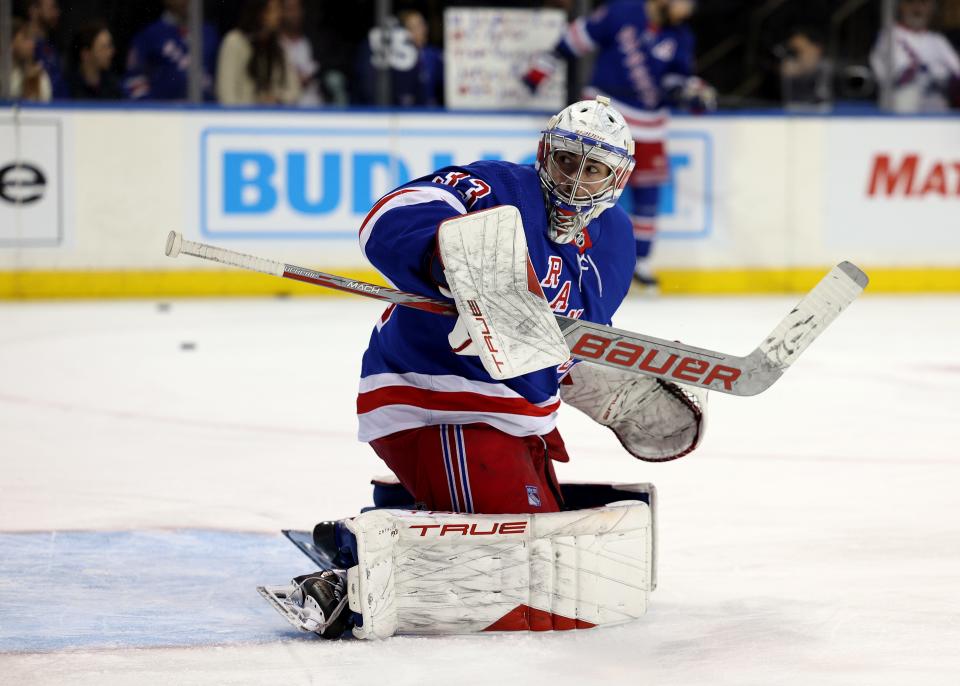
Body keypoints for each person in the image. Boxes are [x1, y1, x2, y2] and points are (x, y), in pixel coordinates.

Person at [274, 97, 707, 638]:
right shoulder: (497, 189)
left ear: (616, 179)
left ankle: (404, 509)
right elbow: (390, 215)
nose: (575, 181)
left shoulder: (615, 240)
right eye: (566, 161)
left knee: (549, 550)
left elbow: (564, 343)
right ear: (544, 154)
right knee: (521, 564)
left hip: (517, 418)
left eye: (593, 169)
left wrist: (621, 379)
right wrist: (447, 262)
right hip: (434, 399)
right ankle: (354, 569)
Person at [523, 0, 716, 290]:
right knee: (580, 183)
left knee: (648, 194)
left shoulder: (680, 36)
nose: (688, 10)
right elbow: (577, 37)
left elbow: (676, 79)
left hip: (650, 123)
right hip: (602, 116)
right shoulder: (623, 11)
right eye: (684, 2)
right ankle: (565, 249)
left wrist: (689, 93)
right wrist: (543, 67)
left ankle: (641, 262)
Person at [870, 0, 960, 112]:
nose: (917, 8)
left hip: (936, 109)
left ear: (931, 8)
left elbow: (957, 71)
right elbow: (894, 75)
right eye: (911, 2)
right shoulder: (889, 35)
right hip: (901, 111)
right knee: (908, 93)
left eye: (923, 3)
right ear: (901, 6)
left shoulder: (938, 40)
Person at [124, 0, 220, 101]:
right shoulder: (149, 35)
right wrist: (150, 109)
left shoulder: (210, 33)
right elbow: (133, 80)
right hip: (164, 113)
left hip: (205, 113)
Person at [216, 0, 301, 106]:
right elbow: (226, 94)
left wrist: (278, 98)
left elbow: (295, 91)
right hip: (241, 118)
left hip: (272, 118)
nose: (280, 15)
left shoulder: (279, 46)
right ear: (260, 13)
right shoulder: (234, 42)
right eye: (275, 10)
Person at [19, 0, 66, 99]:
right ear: (34, 10)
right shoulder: (20, 47)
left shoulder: (53, 44)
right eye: (52, 7)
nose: (57, 13)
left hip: (62, 109)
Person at [279, 0, 322, 106]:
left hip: (315, 107)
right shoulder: (274, 45)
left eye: (297, 9)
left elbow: (324, 69)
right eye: (289, 9)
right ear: (281, 13)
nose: (294, 14)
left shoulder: (314, 41)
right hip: (285, 108)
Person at [778, 26, 832, 110]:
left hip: (819, 107)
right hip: (794, 107)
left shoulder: (824, 64)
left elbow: (810, 66)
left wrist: (806, 51)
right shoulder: (789, 61)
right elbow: (789, 71)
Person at [69, 21, 123, 100]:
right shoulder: (67, 87)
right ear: (86, 54)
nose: (111, 52)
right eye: (104, 47)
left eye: (110, 46)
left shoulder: (115, 87)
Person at [9, 17, 52, 102]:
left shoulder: (38, 75)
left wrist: (31, 84)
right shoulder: (5, 74)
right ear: (10, 42)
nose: (32, 44)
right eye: (25, 38)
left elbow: (40, 110)